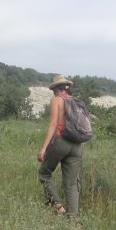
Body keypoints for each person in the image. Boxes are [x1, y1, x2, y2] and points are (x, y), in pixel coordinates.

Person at [37, 74, 83, 217]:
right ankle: (73, 219)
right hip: (77, 144)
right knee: (71, 184)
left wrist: (43, 149)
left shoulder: (56, 100)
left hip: (61, 141)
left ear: (55, 88)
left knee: (44, 172)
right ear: (66, 88)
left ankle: (57, 205)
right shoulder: (76, 101)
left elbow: (53, 124)